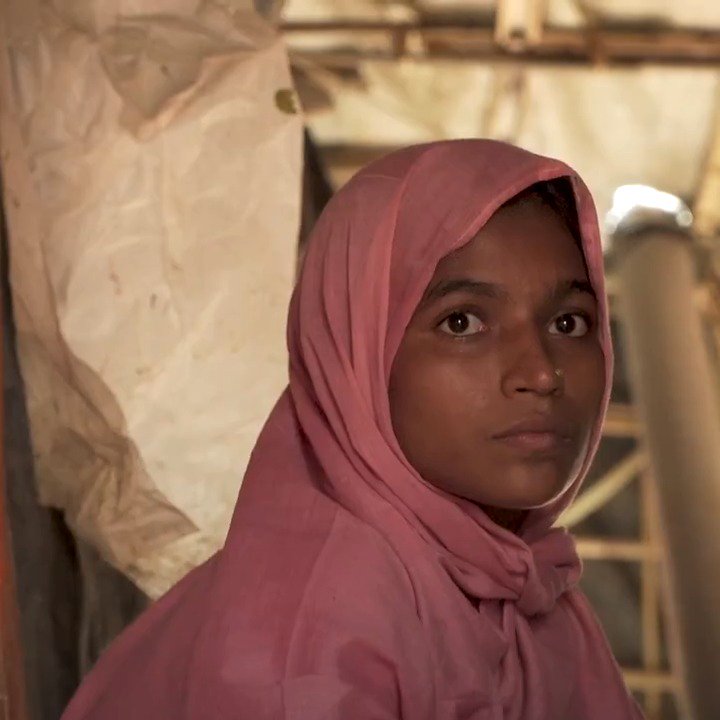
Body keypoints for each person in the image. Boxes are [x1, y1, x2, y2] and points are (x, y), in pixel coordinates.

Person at [61, 140, 644, 720]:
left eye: (569, 323)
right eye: (462, 322)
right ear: (356, 354)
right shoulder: (306, 635)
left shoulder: (536, 602)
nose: (540, 373)